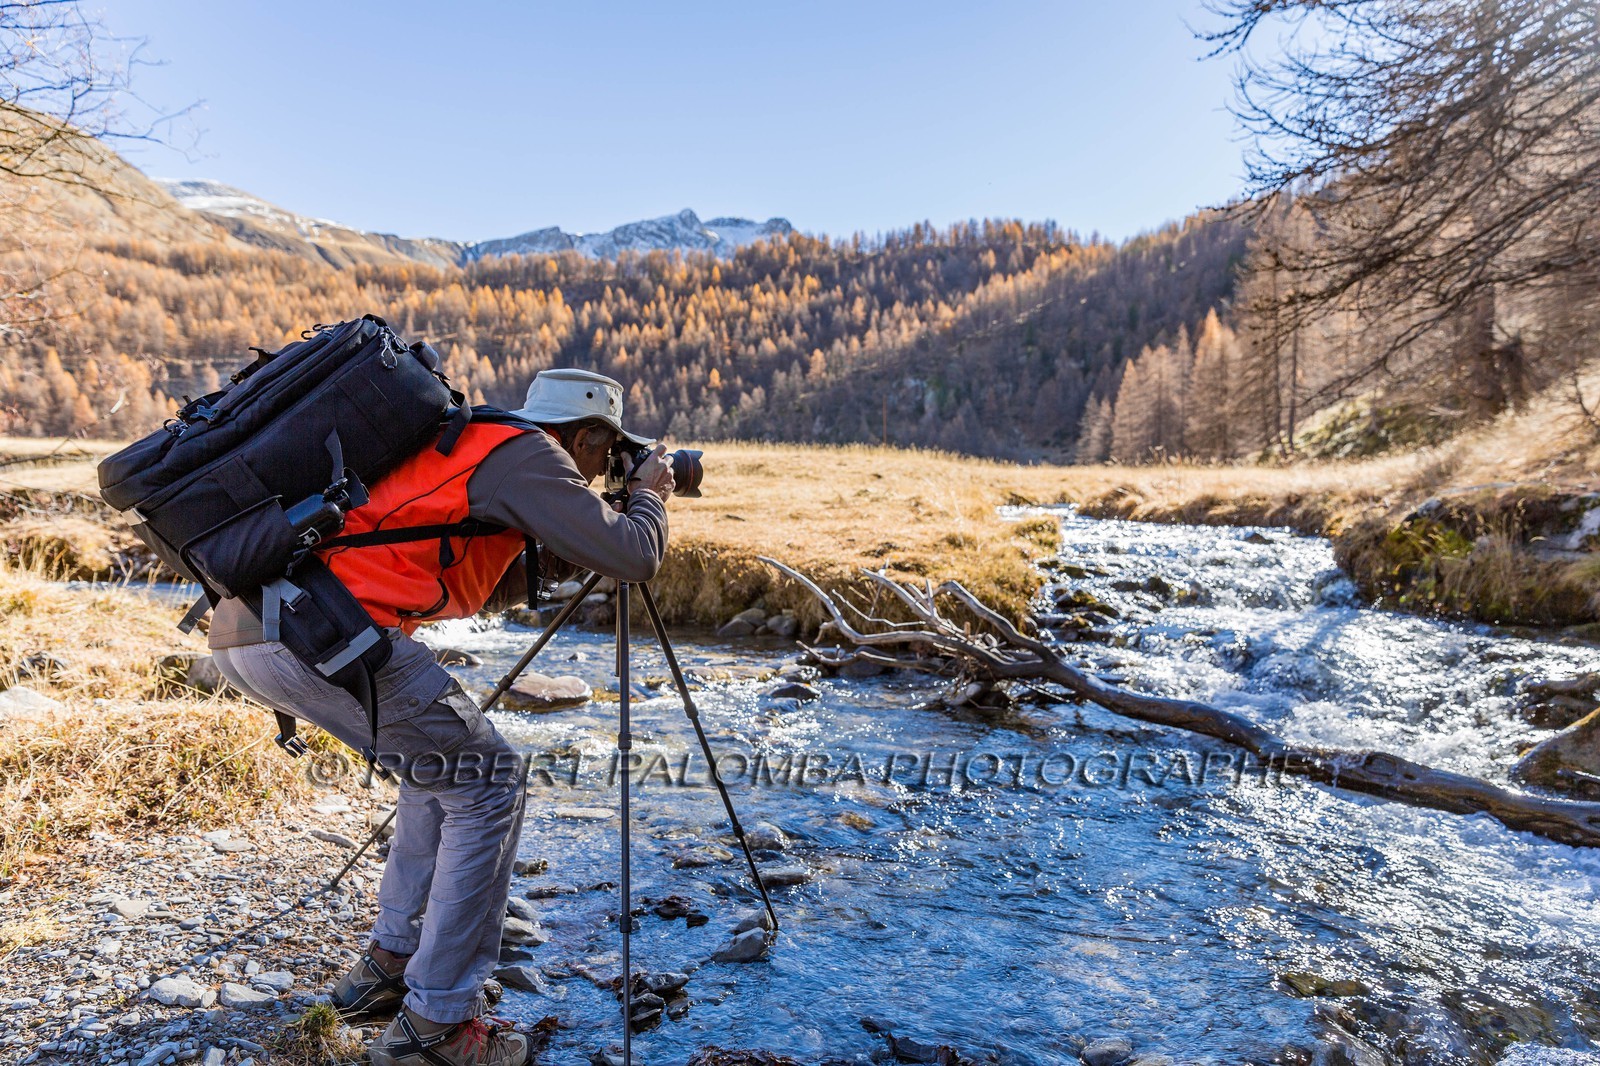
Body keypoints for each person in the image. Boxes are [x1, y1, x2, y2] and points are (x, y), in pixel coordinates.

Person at [208, 368, 676, 1066]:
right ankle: (437, 1028)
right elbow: (635, 555)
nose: (603, 469)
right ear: (584, 437)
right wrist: (647, 495)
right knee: (490, 784)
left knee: (439, 774)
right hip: (323, 634)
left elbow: (451, 574)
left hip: (259, 630)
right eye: (608, 454)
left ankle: (390, 971)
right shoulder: (530, 453)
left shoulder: (474, 446)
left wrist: (552, 545)